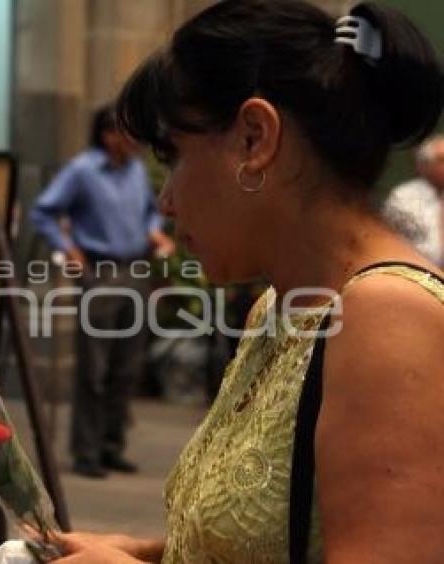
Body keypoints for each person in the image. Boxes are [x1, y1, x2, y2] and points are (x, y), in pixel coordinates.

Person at [50, 1, 444, 562]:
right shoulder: (280, 305)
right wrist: (151, 551)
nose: (165, 201)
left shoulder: (388, 318)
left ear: (255, 138)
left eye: (174, 155)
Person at [31, 105, 175, 478]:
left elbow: (151, 210)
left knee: (127, 366)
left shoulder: (137, 170)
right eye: (126, 133)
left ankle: (113, 444)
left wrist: (153, 229)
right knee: (93, 368)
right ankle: (86, 451)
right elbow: (44, 212)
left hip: (135, 270)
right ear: (108, 134)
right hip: (100, 273)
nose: (134, 141)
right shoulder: (83, 169)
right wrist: (66, 248)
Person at [383, 135, 444, 266]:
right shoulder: (403, 197)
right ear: (425, 166)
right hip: (419, 271)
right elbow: (392, 240)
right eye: (441, 160)